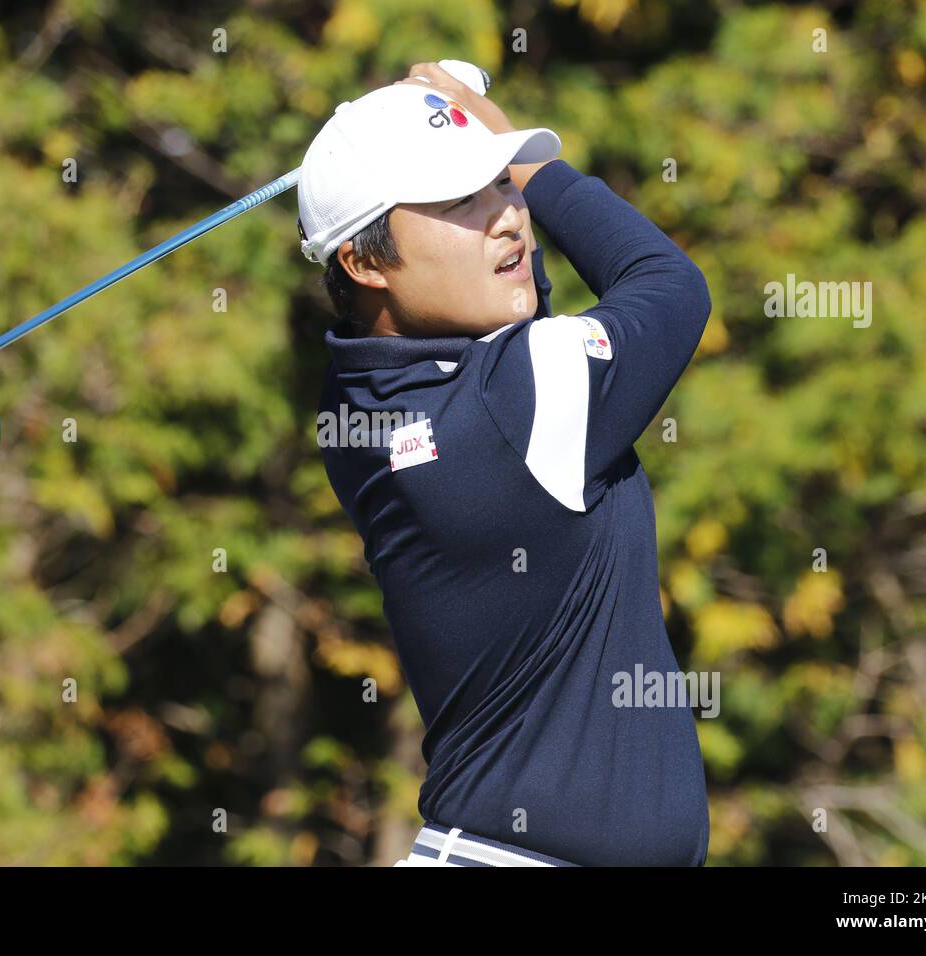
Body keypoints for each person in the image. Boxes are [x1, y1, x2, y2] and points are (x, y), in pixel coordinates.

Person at [298, 62, 712, 866]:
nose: (510, 219)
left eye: (502, 183)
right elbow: (670, 286)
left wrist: (431, 135)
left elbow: (510, 321)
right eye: (461, 199)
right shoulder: (508, 403)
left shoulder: (361, 401)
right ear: (364, 262)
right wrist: (517, 147)